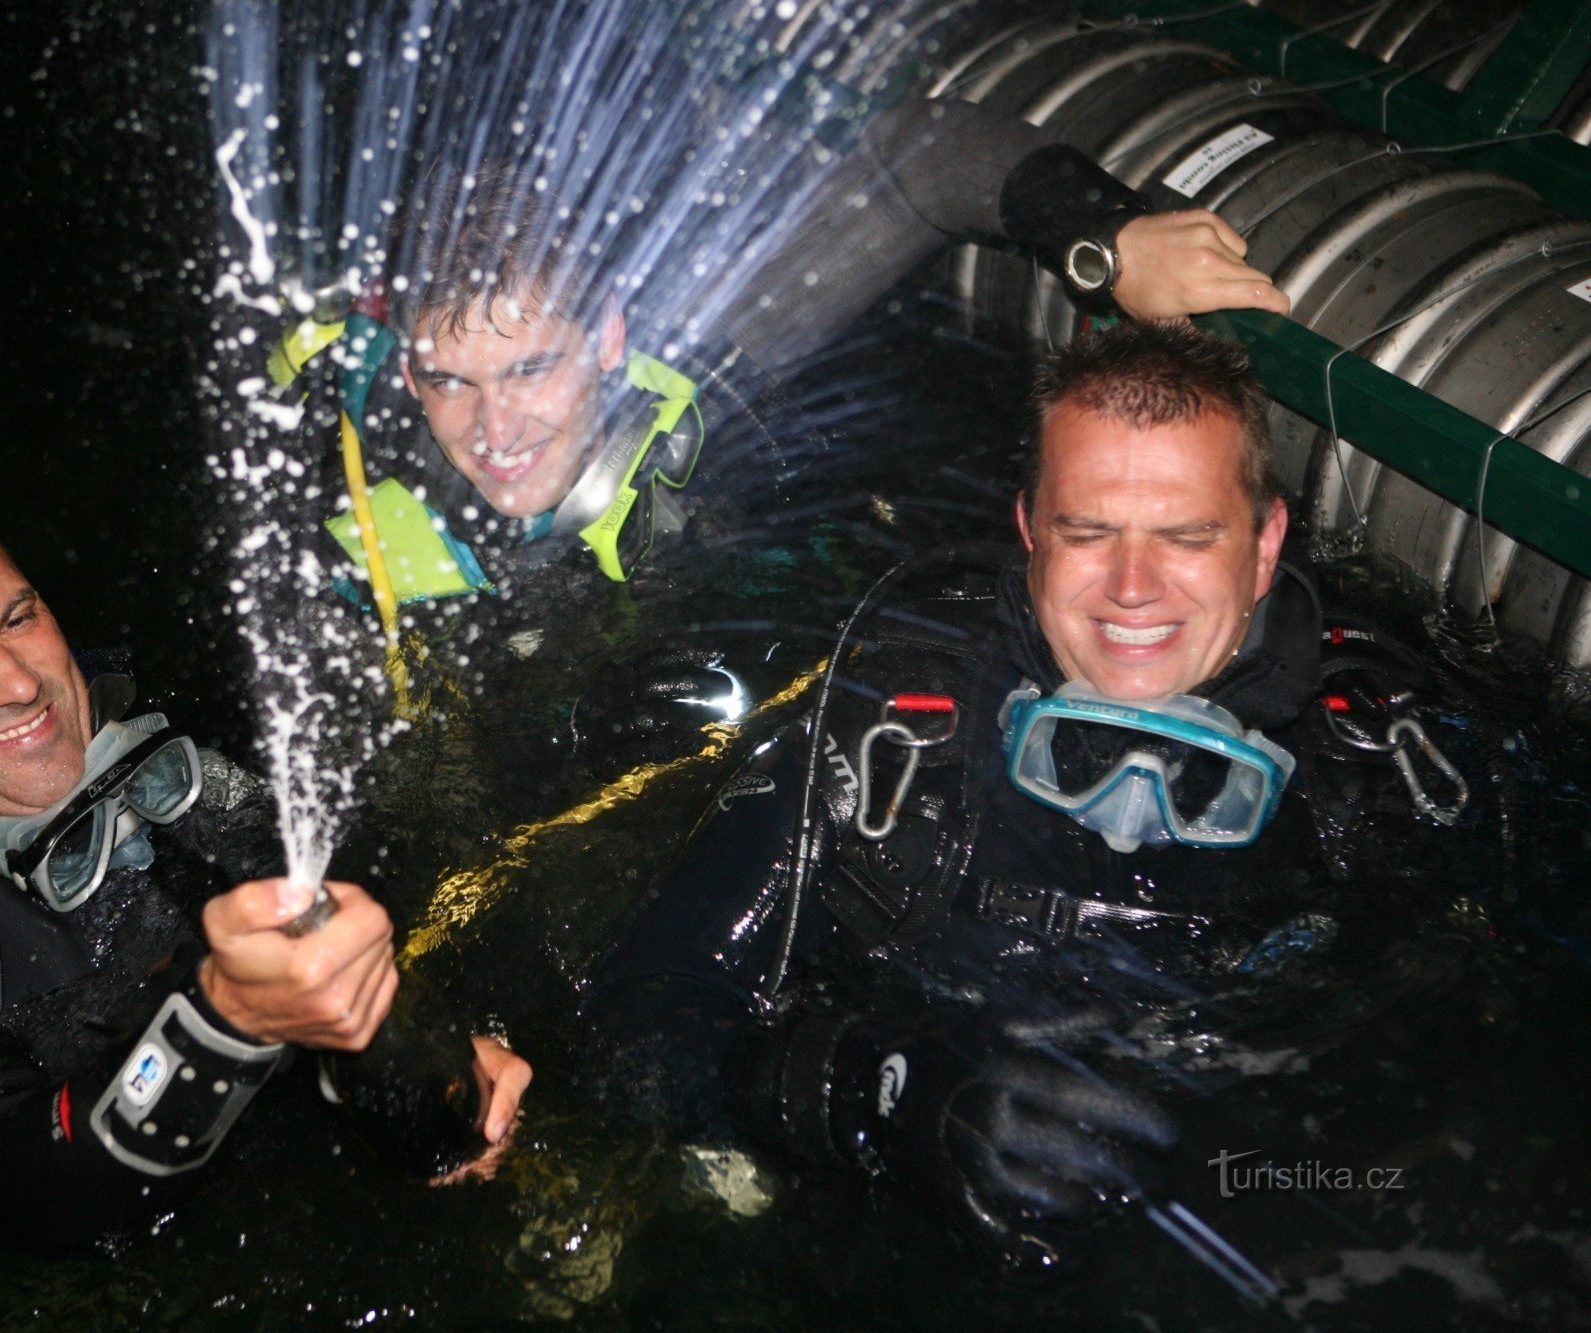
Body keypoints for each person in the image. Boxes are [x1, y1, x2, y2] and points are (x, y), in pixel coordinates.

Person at [578, 321, 1485, 1269]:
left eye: (1185, 536)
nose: (1133, 588)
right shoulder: (890, 725)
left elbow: (1462, 1106)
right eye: (1088, 531)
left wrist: (1222, 1168)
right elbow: (634, 1023)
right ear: (1029, 532)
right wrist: (880, 1095)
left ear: (1264, 546)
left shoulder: (1387, 762)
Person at [0, 493, 531, 1253]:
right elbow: (19, 1180)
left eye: (17, 618)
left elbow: (405, 860)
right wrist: (226, 1016)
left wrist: (430, 1041)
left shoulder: (204, 714)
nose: (19, 684)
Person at [287, 92, 1289, 605]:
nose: (496, 428)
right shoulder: (316, 466)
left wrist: (1100, 239)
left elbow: (914, 157)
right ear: (406, 371)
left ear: (606, 340)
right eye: (452, 381)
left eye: (531, 367)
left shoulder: (683, 387)